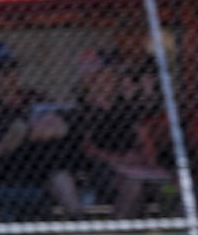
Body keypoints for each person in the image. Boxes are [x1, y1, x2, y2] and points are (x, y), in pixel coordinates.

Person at [0, 41, 82, 221]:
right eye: (2, 71)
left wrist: (40, 129)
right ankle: (76, 215)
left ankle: (77, 217)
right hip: (7, 166)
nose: (11, 75)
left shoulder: (32, 97)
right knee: (52, 156)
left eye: (13, 68)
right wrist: (6, 145)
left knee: (54, 151)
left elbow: (58, 124)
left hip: (46, 157)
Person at [70, 49, 172, 219]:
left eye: (112, 75)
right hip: (103, 168)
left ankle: (173, 229)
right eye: (103, 75)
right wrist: (118, 160)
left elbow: (143, 137)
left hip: (136, 165)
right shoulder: (81, 110)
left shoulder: (125, 108)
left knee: (172, 185)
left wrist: (148, 162)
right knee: (132, 185)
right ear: (89, 80)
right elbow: (86, 148)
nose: (109, 80)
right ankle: (117, 231)